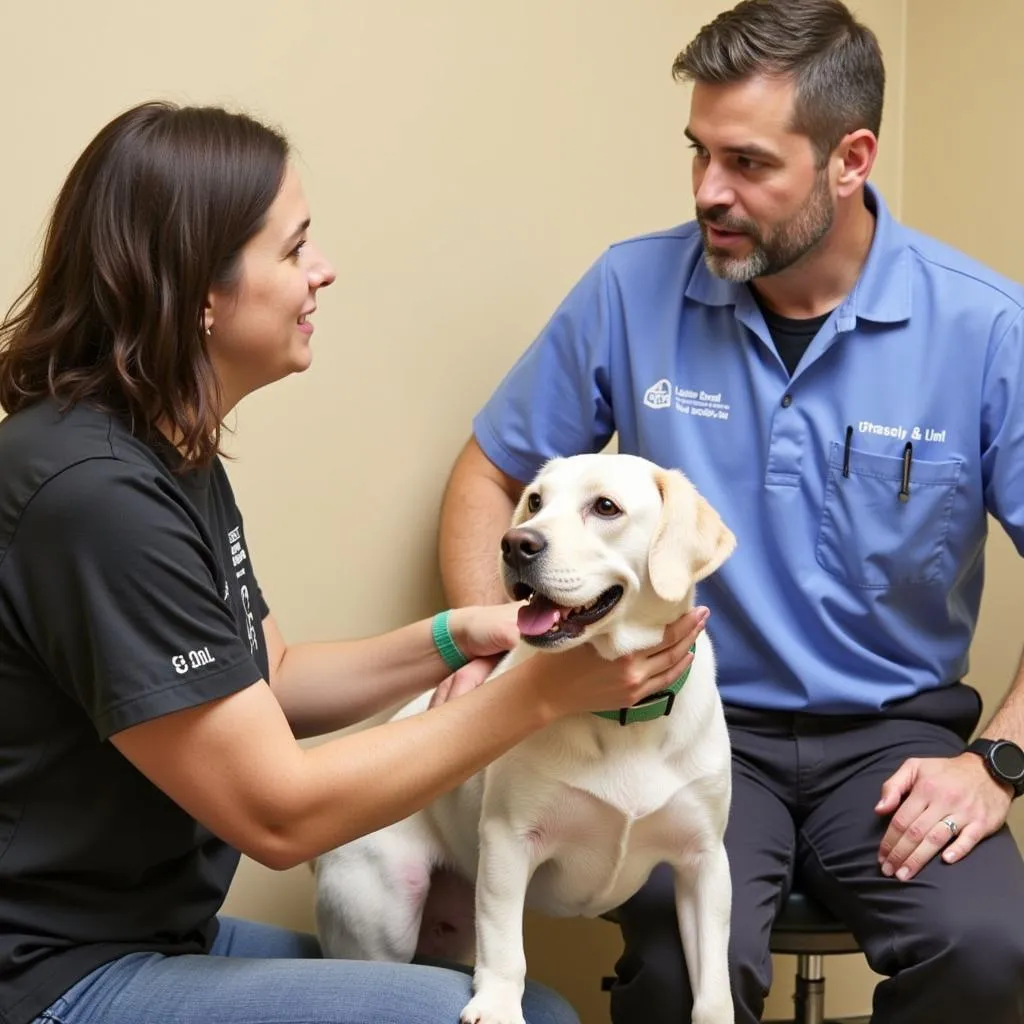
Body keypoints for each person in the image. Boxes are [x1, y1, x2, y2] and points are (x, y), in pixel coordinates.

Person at [0, 100, 705, 1024]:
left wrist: (465, 634)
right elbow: (278, 816)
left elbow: (276, 680)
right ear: (199, 293)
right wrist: (539, 693)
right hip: (53, 974)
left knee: (525, 1002)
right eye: (294, 250)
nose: (322, 271)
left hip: (157, 931)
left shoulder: (165, 450)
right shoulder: (94, 497)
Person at [437, 1, 1024, 1022]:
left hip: (890, 735)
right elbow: (486, 475)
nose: (710, 190)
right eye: (699, 154)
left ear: (851, 159)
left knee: (987, 952)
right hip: (679, 720)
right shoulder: (630, 288)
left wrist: (997, 763)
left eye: (748, 163)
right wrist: (491, 662)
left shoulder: (982, 328)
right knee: (674, 978)